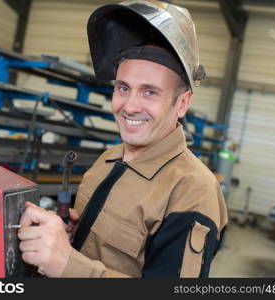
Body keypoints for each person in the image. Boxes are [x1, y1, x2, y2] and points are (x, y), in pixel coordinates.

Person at [18, 0, 228, 278]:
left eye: (150, 92)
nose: (129, 106)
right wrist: (65, 236)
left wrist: (68, 264)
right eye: (123, 88)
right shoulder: (110, 157)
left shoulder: (193, 191)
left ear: (182, 104)